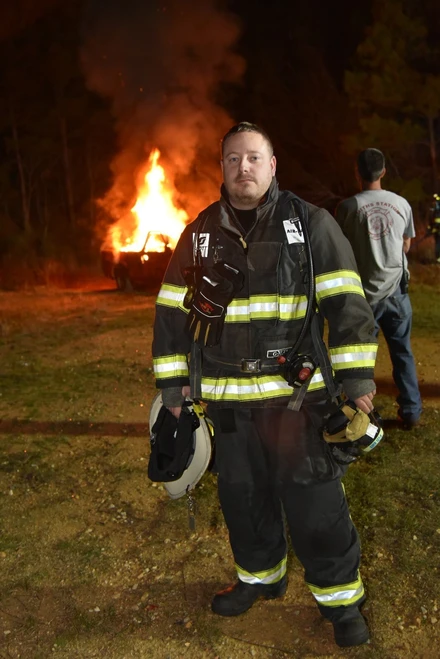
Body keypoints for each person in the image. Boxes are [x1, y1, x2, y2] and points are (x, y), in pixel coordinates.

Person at [152, 122, 378, 648]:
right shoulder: (200, 233)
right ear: (223, 168)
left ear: (272, 166)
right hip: (228, 406)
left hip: (297, 401)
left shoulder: (311, 223)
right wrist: (173, 389)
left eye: (254, 158)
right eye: (233, 159)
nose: (243, 168)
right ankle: (260, 578)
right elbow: (169, 313)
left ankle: (341, 599)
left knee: (315, 503)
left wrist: (357, 379)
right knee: (242, 498)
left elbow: (347, 301)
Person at [336, 148, 423, 429]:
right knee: (402, 353)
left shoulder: (348, 207)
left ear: (357, 172)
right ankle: (411, 411)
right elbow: (406, 244)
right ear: (383, 171)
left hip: (363, 298)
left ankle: (359, 413)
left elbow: (341, 249)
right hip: (396, 293)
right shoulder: (401, 204)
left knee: (360, 359)